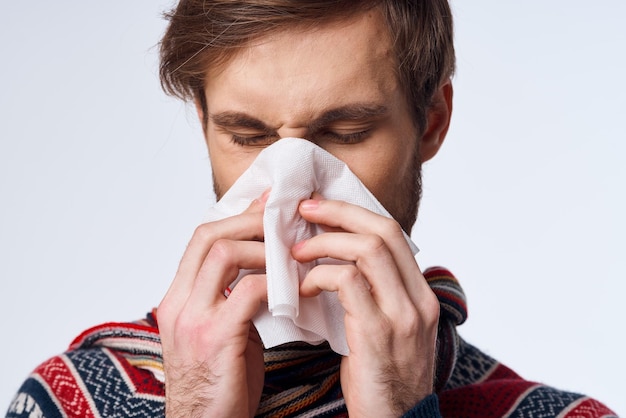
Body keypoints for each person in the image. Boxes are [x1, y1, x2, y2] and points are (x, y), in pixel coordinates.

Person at [5, 1, 617, 417]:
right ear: (203, 125)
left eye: (347, 132)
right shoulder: (75, 401)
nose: (290, 187)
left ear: (431, 122)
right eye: (246, 136)